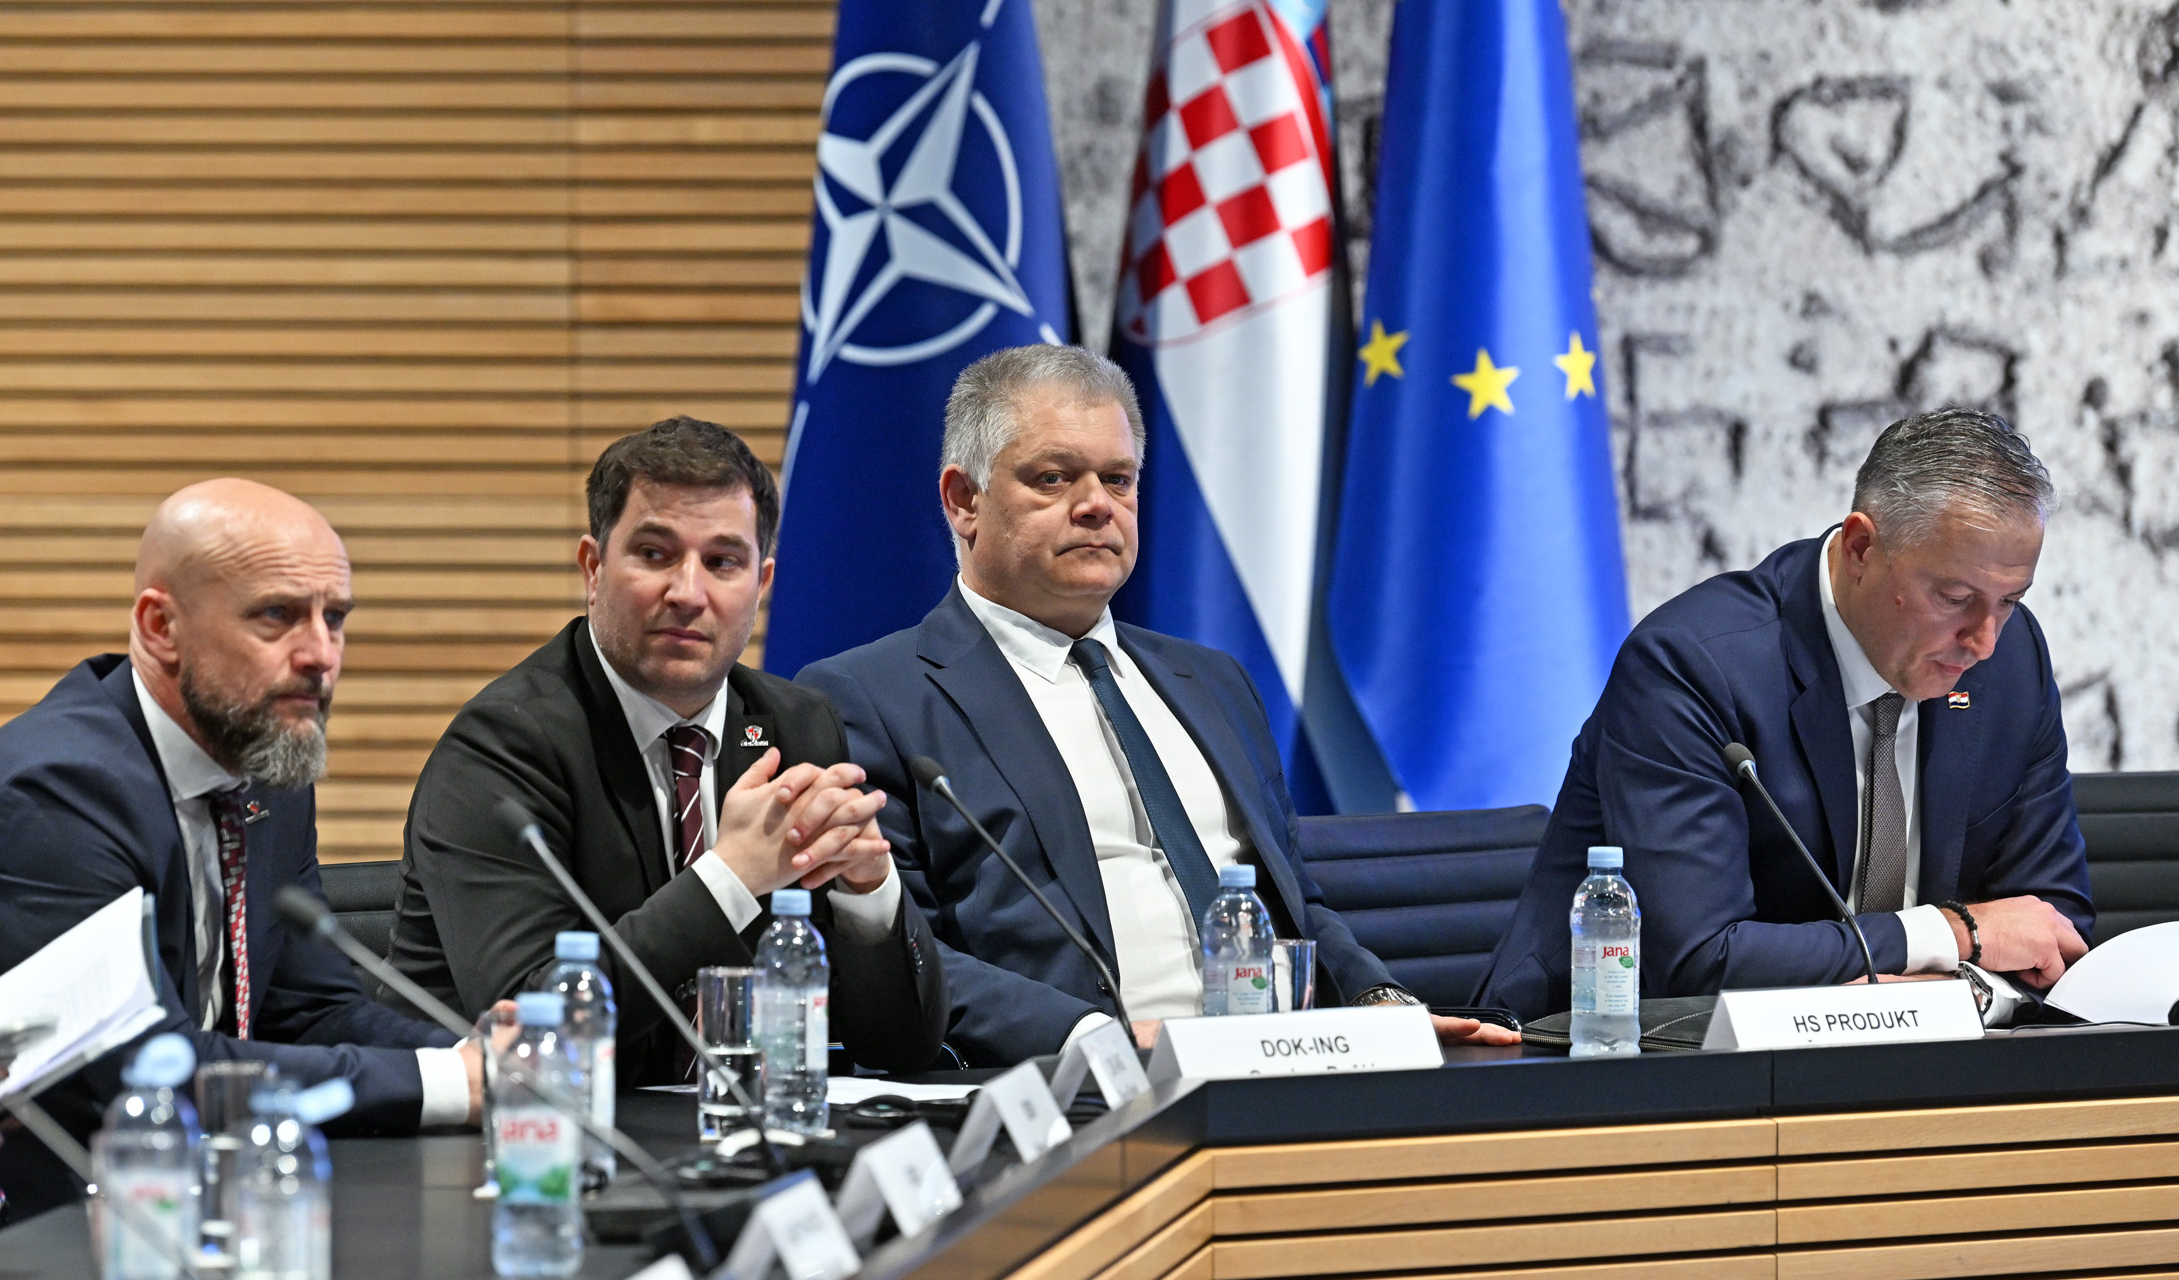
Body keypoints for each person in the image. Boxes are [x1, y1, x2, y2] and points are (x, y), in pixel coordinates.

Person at [798, 346, 1522, 1064]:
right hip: (1075, 1094)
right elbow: (898, 957)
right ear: (963, 500)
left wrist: (1379, 1007)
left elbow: (1297, 904)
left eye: (1118, 479)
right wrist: (1094, 1039)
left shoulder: (1211, 683)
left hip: (1282, 1071)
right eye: (1053, 479)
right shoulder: (869, 698)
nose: (1095, 506)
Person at [0, 480, 477, 1220]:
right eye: (277, 616)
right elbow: (141, 1070)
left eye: (335, 618)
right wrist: (445, 1083)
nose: (320, 655)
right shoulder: (56, 794)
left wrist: (486, 1059)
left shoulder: (262, 763)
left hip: (139, 1196)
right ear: (160, 627)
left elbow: (311, 1011)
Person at [1476, 409, 2091, 1019]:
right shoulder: (1693, 667)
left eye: (2009, 600)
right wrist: (1951, 934)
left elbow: (2053, 928)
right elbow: (1696, 962)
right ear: (1860, 548)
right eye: (1955, 598)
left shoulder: (2011, 661)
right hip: (1611, 1063)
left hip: (1914, 1067)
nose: (1983, 639)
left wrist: (1963, 995)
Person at [386, 418, 948, 1082]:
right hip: (515, 1148)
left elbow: (903, 1051)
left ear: (762, 583)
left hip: (735, 1146)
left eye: (722, 562)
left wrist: (868, 895)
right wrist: (732, 876)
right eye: (655, 554)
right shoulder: (503, 745)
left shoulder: (796, 725)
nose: (688, 592)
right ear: (593, 568)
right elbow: (535, 1029)